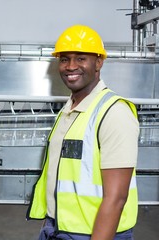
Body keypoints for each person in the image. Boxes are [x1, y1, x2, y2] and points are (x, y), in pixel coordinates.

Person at [26, 25, 139, 240]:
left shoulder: (114, 113)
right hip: (56, 230)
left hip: (95, 234)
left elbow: (116, 198)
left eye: (80, 58)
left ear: (99, 62)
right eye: (65, 59)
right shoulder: (69, 111)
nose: (70, 66)